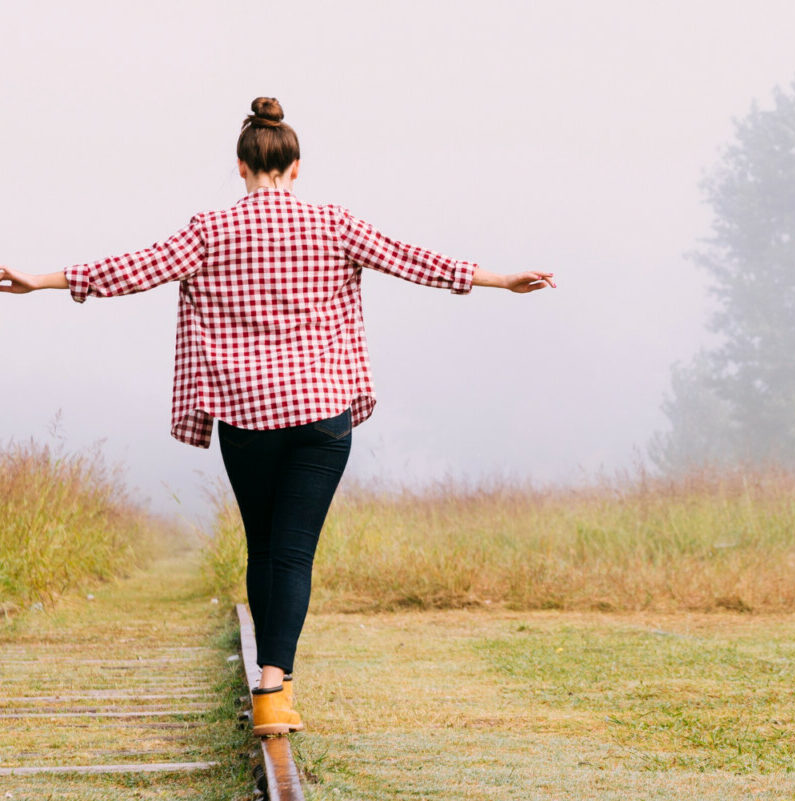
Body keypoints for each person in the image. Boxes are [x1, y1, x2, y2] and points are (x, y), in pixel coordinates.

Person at [0, 97, 555, 737]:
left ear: (241, 166)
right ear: (296, 168)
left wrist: (39, 279)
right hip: (323, 415)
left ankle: (271, 680)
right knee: (293, 554)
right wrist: (501, 279)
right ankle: (273, 686)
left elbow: (131, 270)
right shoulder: (334, 223)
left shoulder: (208, 230)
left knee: (263, 546)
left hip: (246, 416)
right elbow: (418, 261)